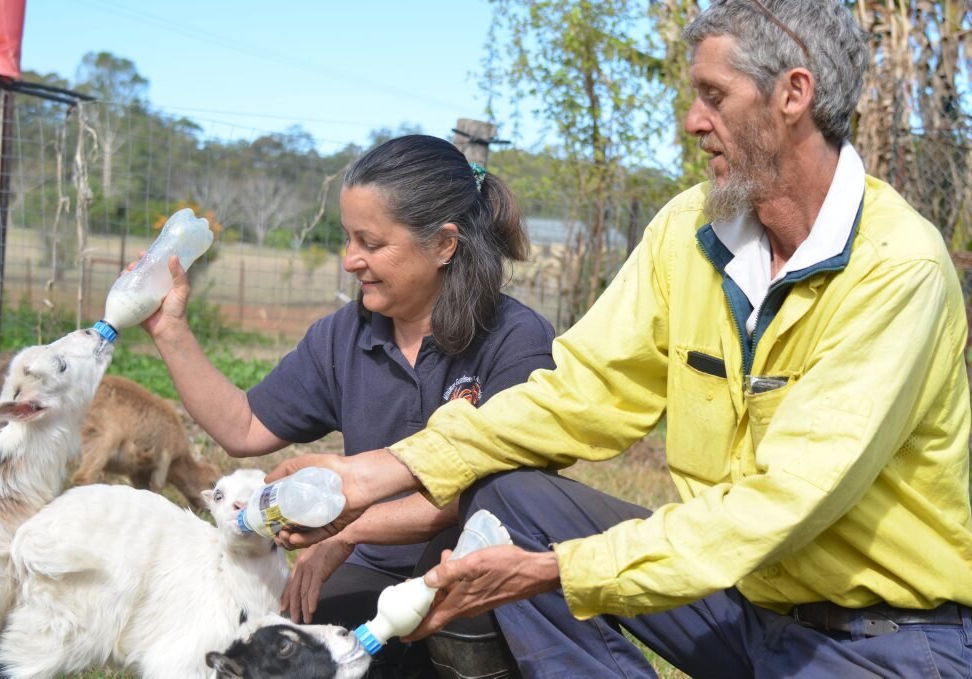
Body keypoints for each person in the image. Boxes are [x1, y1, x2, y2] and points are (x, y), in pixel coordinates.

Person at [268, 2, 972, 677]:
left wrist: (556, 571)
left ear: (792, 95)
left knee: (551, 551)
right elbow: (580, 392)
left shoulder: (895, 267)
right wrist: (374, 472)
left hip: (880, 639)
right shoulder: (689, 233)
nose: (693, 122)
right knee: (512, 501)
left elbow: (780, 506)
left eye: (713, 96)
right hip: (744, 601)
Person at [141, 134, 556, 677]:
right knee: (296, 649)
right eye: (347, 238)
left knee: (461, 607)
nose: (350, 260)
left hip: (482, 566)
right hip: (375, 567)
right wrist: (170, 330)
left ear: (444, 244)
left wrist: (346, 530)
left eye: (371, 242)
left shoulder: (515, 339)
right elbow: (243, 427)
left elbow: (492, 496)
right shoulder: (345, 335)